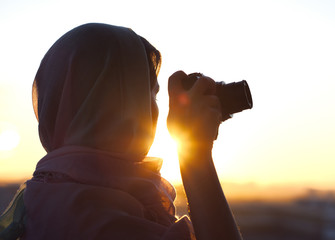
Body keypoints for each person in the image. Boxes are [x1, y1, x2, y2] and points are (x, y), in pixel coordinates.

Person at [0, 23, 242, 240]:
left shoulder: (46, 196)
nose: (157, 110)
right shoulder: (99, 218)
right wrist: (196, 154)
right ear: (124, 105)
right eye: (151, 94)